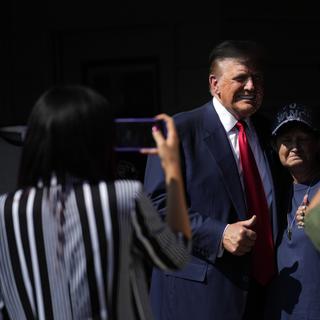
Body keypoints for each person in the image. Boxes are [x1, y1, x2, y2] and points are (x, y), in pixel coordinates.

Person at [0, 85, 191, 320]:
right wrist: (172, 167)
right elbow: (176, 256)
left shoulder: (4, 209)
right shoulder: (124, 197)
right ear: (99, 141)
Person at [144, 40, 279, 320]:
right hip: (202, 297)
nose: (251, 87)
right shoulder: (178, 131)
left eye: (257, 78)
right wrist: (219, 235)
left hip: (267, 295)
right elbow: (156, 208)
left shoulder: (269, 132)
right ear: (214, 83)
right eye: (241, 78)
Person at [264, 103, 320, 319]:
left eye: (302, 139)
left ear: (316, 144)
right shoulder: (277, 191)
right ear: (275, 147)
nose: (294, 146)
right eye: (286, 140)